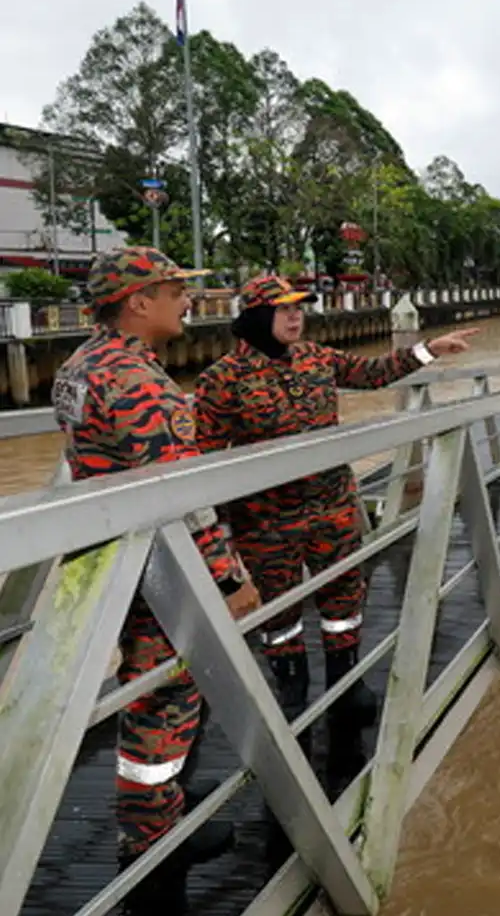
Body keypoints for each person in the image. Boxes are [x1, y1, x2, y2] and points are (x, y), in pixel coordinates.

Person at [50, 246, 261, 912]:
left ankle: (155, 806)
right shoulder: (140, 382)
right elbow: (181, 492)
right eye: (174, 289)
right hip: (159, 564)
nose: (186, 299)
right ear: (138, 302)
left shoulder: (77, 366)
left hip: (108, 552)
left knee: (144, 688)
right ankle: (151, 838)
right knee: (164, 696)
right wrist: (229, 579)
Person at [191, 275, 478, 758]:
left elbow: (376, 372)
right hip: (266, 522)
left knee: (344, 601)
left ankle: (347, 689)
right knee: (280, 617)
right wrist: (218, 541)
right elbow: (204, 460)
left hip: (332, 508)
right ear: (258, 316)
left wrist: (430, 350)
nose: (296, 316)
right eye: (284, 310)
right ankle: (292, 699)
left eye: (300, 308)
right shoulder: (222, 380)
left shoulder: (316, 359)